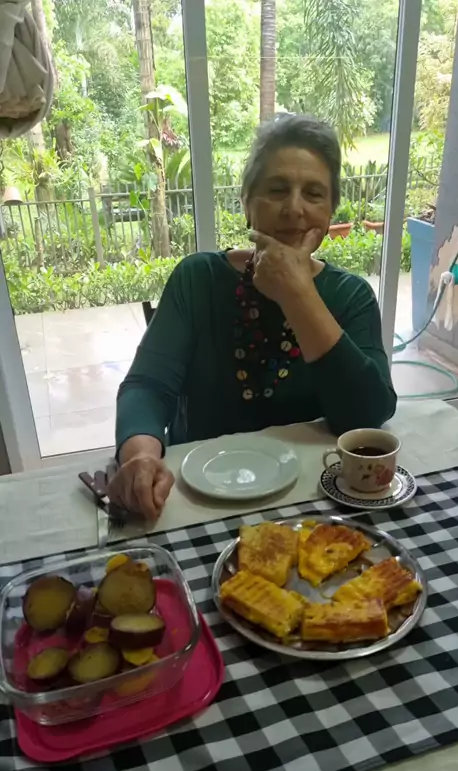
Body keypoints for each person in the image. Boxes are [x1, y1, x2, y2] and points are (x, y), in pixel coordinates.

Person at [109, 114, 397, 520]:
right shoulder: (198, 278)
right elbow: (148, 386)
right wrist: (140, 456)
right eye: (277, 190)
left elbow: (367, 416)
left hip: (311, 502)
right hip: (197, 500)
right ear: (247, 203)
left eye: (314, 193)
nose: (294, 208)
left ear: (331, 211)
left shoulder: (351, 296)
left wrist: (298, 295)